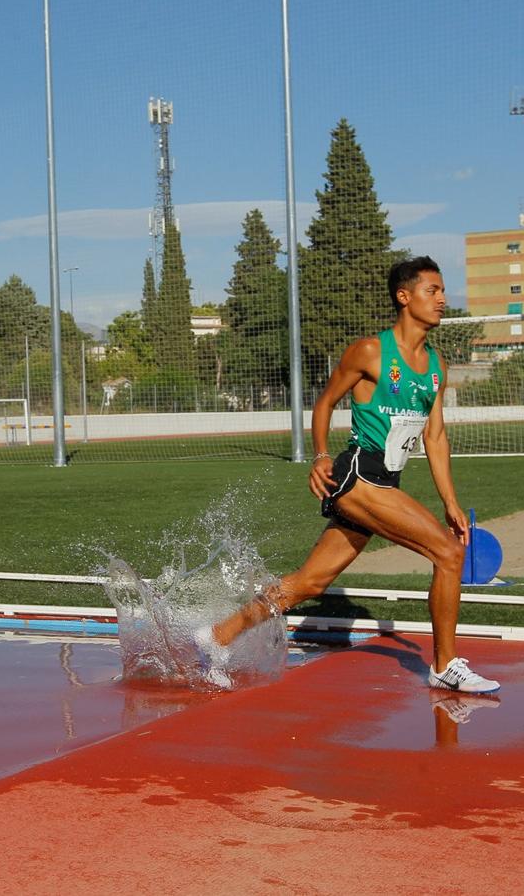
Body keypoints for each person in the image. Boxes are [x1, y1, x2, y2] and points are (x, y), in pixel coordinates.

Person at [196, 256, 499, 694]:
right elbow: (324, 403)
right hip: (358, 476)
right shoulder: (371, 351)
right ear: (404, 296)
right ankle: (445, 664)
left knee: (311, 582)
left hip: (385, 483)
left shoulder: (436, 366)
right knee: (449, 554)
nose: (442, 299)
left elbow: (435, 436)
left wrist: (450, 501)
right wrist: (320, 455)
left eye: (442, 291)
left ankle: (216, 637)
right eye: (432, 291)